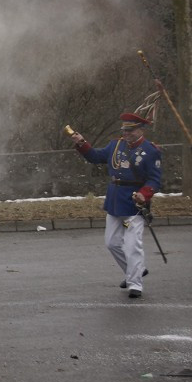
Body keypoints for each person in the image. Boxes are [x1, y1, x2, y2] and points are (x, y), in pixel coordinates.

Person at [69, 112, 162, 298]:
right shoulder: (115, 145)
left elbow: (154, 180)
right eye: (124, 130)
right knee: (111, 243)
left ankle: (135, 284)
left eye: (130, 130)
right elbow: (95, 157)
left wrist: (144, 195)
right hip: (114, 201)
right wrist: (81, 143)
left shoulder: (151, 151)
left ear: (140, 130)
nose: (126, 133)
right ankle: (135, 270)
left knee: (132, 245)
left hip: (134, 205)